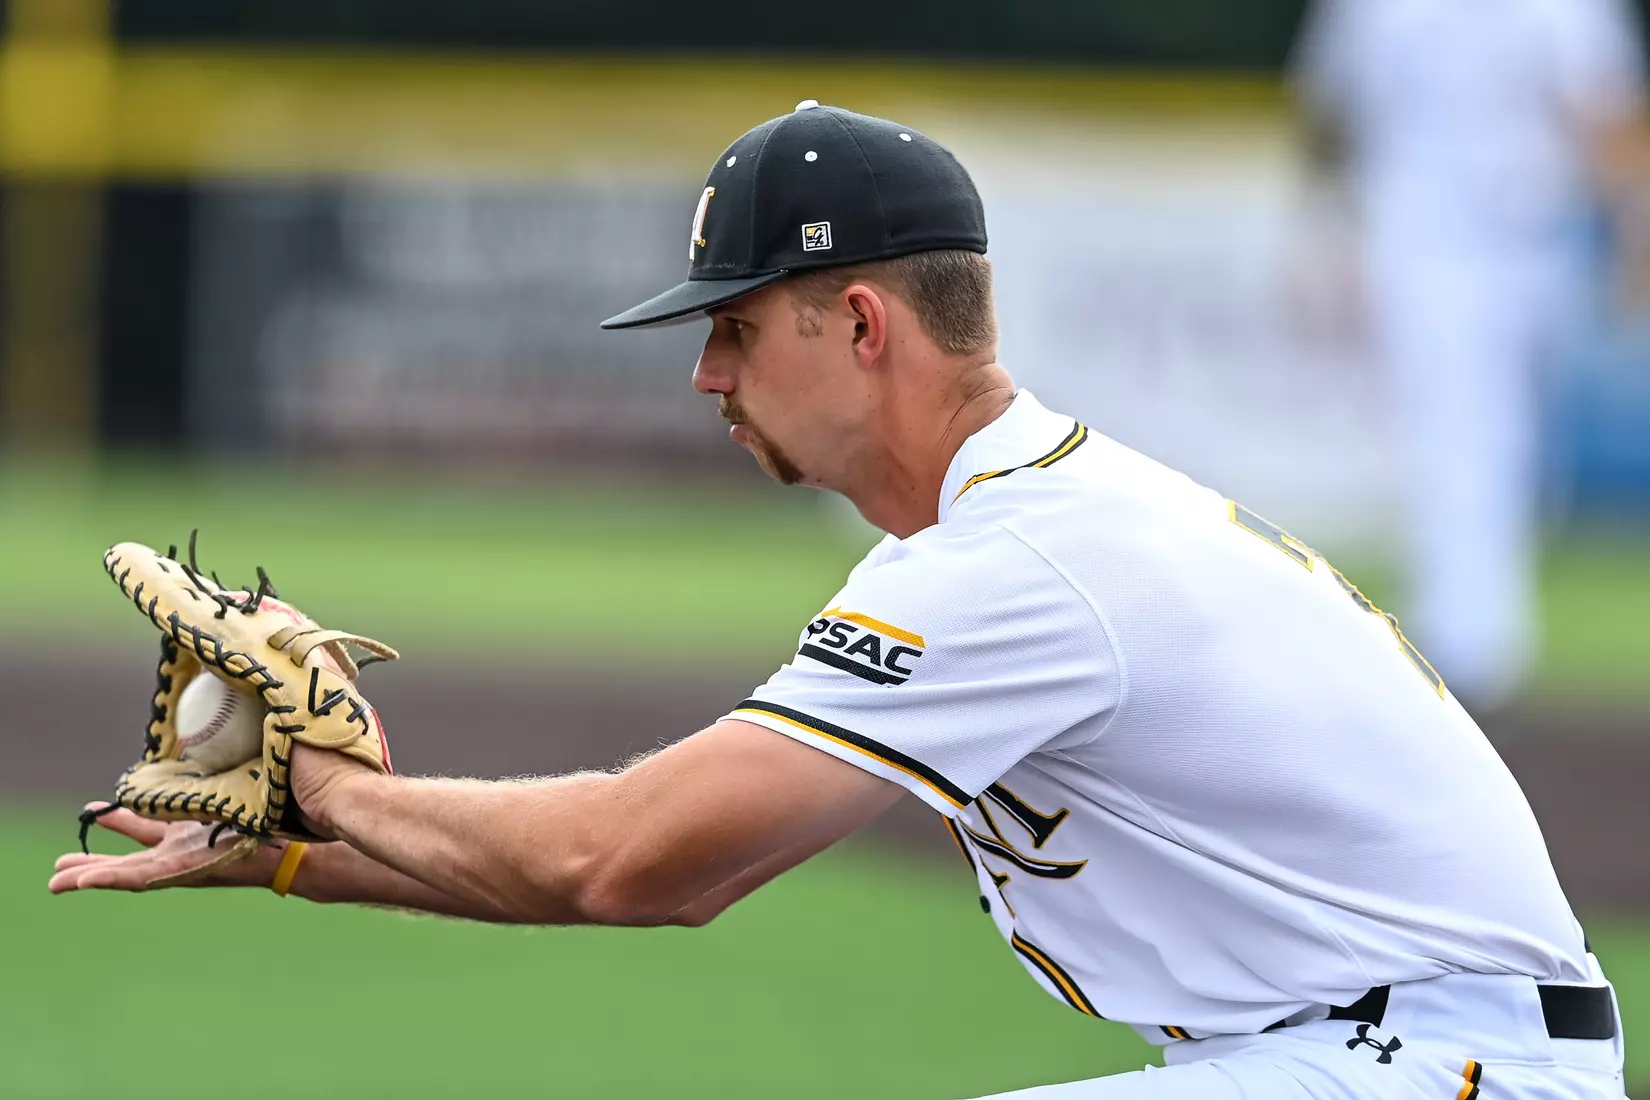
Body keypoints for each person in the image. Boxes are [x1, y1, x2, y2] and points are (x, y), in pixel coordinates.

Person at [50, 103, 1623, 1100]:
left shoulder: (1020, 564)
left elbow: (629, 859)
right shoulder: (999, 537)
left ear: (858, 321)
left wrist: (317, 783)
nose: (702, 371)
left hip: (1434, 1064)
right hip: (1388, 1057)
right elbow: (695, 872)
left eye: (734, 327)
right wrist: (293, 862)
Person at [1293, 0, 1650, 709]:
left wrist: (1633, 231)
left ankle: (1480, 632)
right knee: (1457, 435)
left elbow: (1609, 120)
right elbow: (1330, 115)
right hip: (1422, 241)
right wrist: (1323, 233)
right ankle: (1468, 647)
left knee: (1519, 450)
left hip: (1539, 241)